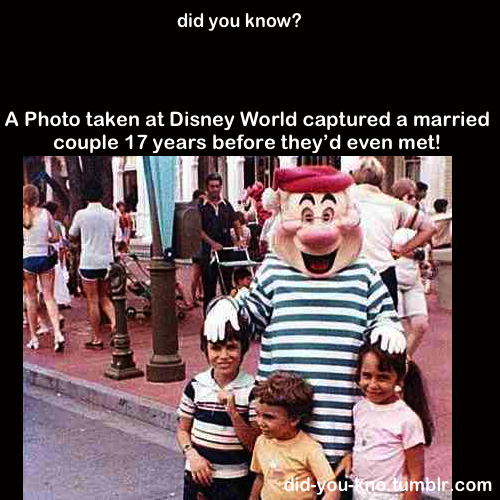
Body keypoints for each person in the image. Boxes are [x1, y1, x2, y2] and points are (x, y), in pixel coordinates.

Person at [204, 166, 407, 499]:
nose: (318, 231)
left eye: (328, 215)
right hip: (280, 431)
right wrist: (227, 307)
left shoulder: (364, 274)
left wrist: (386, 326)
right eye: (307, 216)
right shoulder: (274, 271)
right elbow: (250, 318)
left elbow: (384, 321)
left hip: (340, 428)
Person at [177, 303, 258, 500]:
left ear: (243, 349)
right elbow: (182, 429)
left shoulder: (252, 390)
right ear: (205, 350)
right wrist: (192, 455)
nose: (223, 356)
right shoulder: (196, 386)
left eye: (231, 348)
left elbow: (254, 444)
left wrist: (233, 412)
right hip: (197, 475)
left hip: (234, 481)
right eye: (215, 348)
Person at [336, 338, 434, 500]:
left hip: (390, 495)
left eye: (382, 377)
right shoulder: (359, 408)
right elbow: (366, 443)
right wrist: (350, 456)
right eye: (366, 375)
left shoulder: (407, 419)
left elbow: (416, 475)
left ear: (399, 379)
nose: (373, 384)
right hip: (359, 492)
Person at [352, 157, 436, 310]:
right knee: (387, 327)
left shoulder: (344, 200)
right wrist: (403, 249)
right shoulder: (393, 205)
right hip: (384, 272)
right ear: (381, 178)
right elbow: (430, 227)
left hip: (351, 272)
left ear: (355, 175)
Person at [250, 371, 339, 500]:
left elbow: (332, 491)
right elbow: (261, 476)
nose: (260, 422)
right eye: (257, 414)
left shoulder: (310, 449)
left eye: (268, 417)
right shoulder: (261, 442)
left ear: (293, 419)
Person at [69, 179, 117, 349]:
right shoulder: (111, 214)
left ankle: (96, 338)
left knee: (92, 300)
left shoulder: (81, 214)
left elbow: (72, 234)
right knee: (105, 297)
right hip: (106, 261)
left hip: (88, 261)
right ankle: (115, 325)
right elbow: (114, 236)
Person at [391, 179, 433, 357]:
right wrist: (413, 252)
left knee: (420, 324)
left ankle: (404, 362)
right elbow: (392, 249)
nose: (414, 200)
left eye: (416, 197)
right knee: (398, 328)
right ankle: (395, 366)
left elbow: (427, 242)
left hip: (413, 277)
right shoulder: (391, 217)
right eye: (410, 197)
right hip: (394, 277)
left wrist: (424, 259)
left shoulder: (419, 219)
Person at [23, 184, 65, 352]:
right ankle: (57, 333)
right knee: (49, 296)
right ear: (37, 197)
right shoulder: (46, 214)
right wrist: (46, 239)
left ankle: (34, 338)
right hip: (45, 258)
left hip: (27, 260)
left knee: (31, 298)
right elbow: (56, 237)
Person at [199, 172, 244, 315]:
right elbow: (198, 230)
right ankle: (208, 318)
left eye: (217, 186)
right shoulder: (201, 206)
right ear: (207, 187)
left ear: (221, 187)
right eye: (212, 186)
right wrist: (212, 243)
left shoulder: (226, 205)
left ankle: (230, 315)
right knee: (209, 288)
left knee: (228, 285)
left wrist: (240, 239)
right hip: (208, 253)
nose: (215, 189)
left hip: (226, 250)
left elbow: (236, 222)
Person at [42, 201, 72, 309]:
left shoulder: (41, 222)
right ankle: (59, 299)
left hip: (44, 254)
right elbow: (61, 242)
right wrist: (62, 255)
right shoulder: (58, 225)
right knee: (58, 277)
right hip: (54, 253)